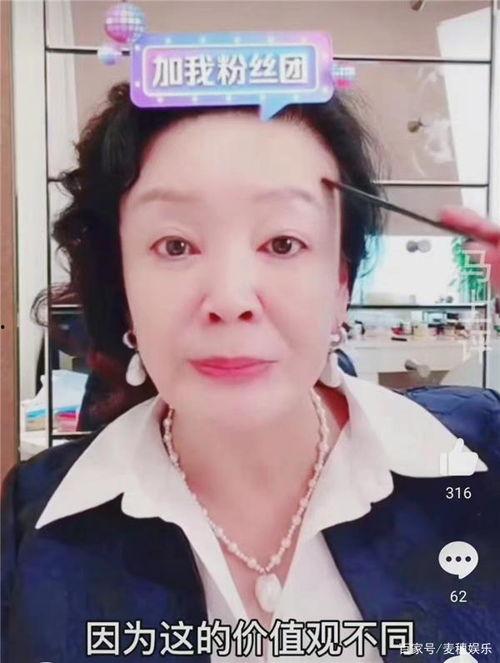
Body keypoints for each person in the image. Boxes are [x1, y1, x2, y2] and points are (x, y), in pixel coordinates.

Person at [1, 82, 499, 663]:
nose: (231, 298)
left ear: (341, 284)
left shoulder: (480, 454)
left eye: (283, 242)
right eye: (175, 245)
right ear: (123, 286)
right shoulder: (35, 523)